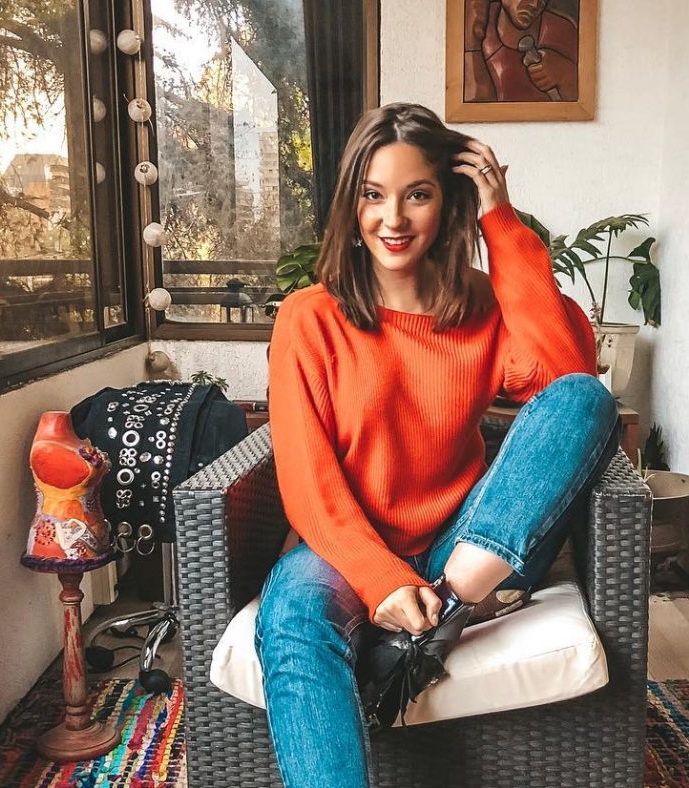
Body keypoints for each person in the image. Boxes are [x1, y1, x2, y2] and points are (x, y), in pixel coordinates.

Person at [256, 102, 619, 788]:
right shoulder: (311, 317)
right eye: (373, 195)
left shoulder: (479, 305)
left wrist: (501, 222)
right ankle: (438, 617)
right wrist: (384, 580)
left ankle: (448, 607)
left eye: (417, 195)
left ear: (447, 202)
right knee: (293, 619)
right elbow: (307, 480)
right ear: (351, 204)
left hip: (465, 544)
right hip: (345, 548)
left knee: (584, 398)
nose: (392, 219)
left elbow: (566, 376)